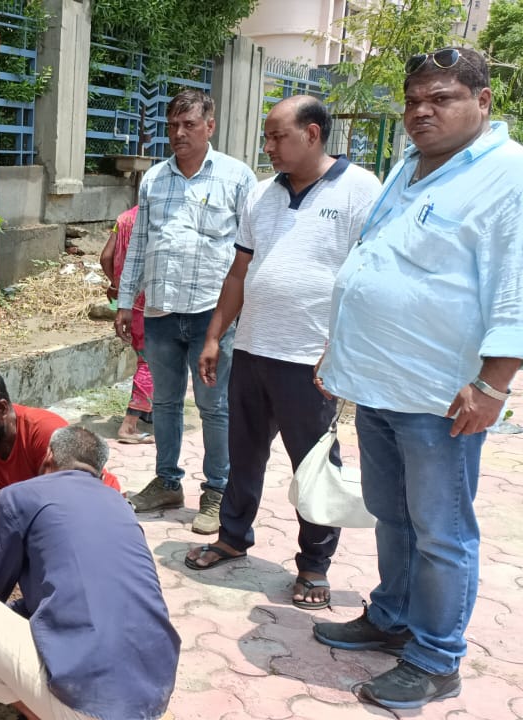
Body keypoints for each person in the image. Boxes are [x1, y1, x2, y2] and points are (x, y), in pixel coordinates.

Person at [310, 47, 522, 710]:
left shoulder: (507, 176)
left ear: (483, 103)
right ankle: (391, 616)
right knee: (391, 517)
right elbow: (376, 264)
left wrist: (492, 384)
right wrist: (338, 352)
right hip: (377, 383)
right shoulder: (410, 166)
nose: (421, 111)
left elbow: (516, 290)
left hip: (440, 397)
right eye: (414, 100)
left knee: (441, 530)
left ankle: (435, 659)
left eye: (442, 98)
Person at [184, 96, 381, 610]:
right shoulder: (261, 195)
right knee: (244, 453)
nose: (267, 147)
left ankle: (314, 565)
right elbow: (239, 272)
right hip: (252, 348)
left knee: (314, 464)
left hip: (310, 360)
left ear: (313, 134)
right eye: (267, 137)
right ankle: (232, 537)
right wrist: (214, 336)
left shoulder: (362, 191)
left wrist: (341, 350)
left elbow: (370, 280)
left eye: (277, 137)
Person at [0, 426, 180, 720]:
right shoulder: (121, 505)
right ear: (100, 474)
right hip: (154, 695)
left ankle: (32, 711)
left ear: (48, 457)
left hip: (84, 705)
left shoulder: (18, 497)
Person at [115, 89, 257, 534]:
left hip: (211, 315)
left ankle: (217, 490)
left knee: (214, 406)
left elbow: (250, 249)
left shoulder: (237, 177)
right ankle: (167, 481)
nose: (178, 133)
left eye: (188, 125)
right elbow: (138, 244)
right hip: (160, 310)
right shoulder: (154, 179)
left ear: (209, 126)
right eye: (173, 125)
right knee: (164, 401)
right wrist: (125, 301)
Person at [0, 367, 121, 563]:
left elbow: (66, 503)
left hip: (96, 509)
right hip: (51, 507)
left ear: (2, 409)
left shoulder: (45, 432)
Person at [100, 205, 155, 444]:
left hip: (127, 302)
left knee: (145, 358)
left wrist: (115, 283)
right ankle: (129, 425)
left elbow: (106, 256)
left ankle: (149, 412)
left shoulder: (124, 218)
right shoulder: (160, 218)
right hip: (154, 304)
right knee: (151, 363)